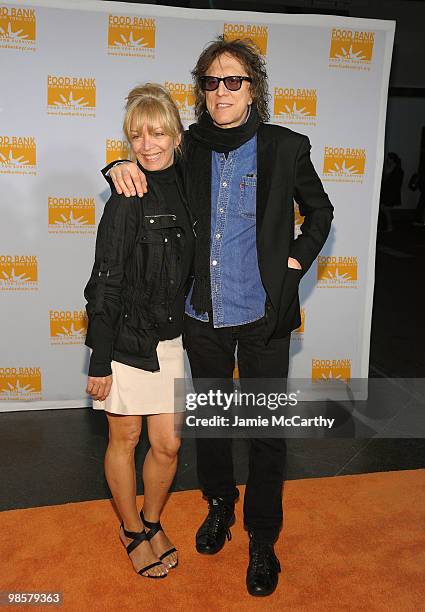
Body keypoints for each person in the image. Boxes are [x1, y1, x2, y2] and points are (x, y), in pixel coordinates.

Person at [105, 37, 333, 596]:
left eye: (234, 80)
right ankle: (219, 507)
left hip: (261, 317)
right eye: (211, 81)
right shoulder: (190, 150)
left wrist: (297, 260)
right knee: (209, 425)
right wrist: (113, 165)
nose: (222, 91)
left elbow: (321, 212)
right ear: (201, 92)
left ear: (253, 87)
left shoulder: (286, 147)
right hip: (201, 316)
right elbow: (147, 161)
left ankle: (262, 538)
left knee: (264, 433)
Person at [84, 83, 194, 579]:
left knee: (168, 444)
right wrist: (99, 360)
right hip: (126, 339)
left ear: (175, 135)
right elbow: (104, 281)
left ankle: (152, 520)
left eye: (156, 133)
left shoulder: (189, 183)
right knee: (125, 439)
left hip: (170, 338)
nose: (146, 145)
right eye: (135, 136)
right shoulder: (126, 197)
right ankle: (131, 531)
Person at [379, 152, 404, 232]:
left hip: (391, 193)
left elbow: (394, 183)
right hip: (387, 192)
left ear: (392, 160)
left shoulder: (398, 170)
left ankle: (389, 226)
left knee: (385, 209)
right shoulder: (390, 168)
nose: (387, 160)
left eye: (389, 158)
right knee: (385, 209)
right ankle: (387, 226)